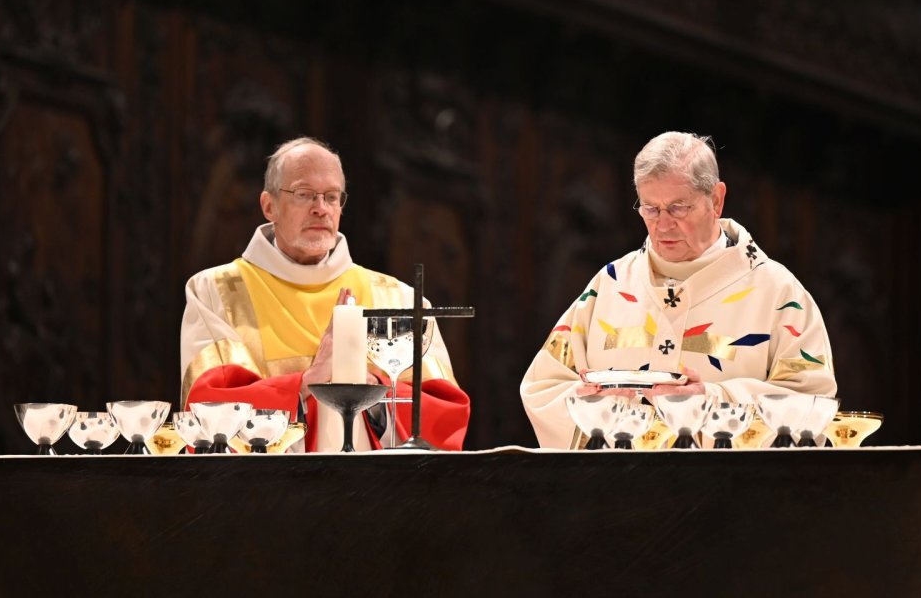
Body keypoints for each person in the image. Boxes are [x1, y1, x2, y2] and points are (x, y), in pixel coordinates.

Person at [520, 131, 836, 449]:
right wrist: (590, 408)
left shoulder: (778, 293)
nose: (663, 225)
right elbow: (543, 387)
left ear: (716, 200)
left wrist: (711, 403)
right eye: (650, 209)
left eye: (678, 208)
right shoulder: (611, 285)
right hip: (619, 491)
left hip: (732, 492)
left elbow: (811, 400)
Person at [180, 137, 470, 451]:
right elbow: (206, 411)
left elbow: (445, 413)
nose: (321, 209)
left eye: (331, 197)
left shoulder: (398, 299)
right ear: (269, 206)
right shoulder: (218, 293)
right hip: (267, 493)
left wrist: (374, 393)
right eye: (304, 195)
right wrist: (306, 383)